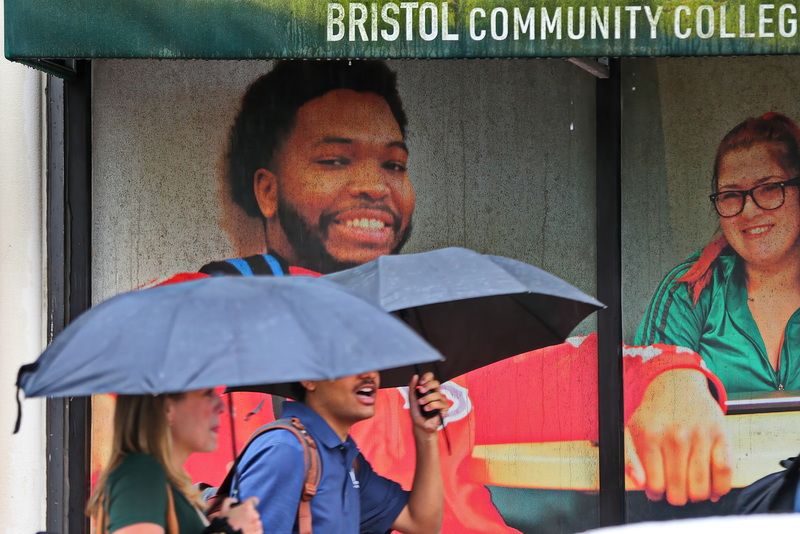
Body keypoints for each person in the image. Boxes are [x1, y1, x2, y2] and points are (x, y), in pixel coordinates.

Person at [184, 59, 731, 525]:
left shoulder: (431, 320)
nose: (376, 185)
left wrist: (673, 381)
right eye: (334, 160)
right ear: (267, 189)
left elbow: (584, 375)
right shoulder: (193, 314)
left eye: (393, 164)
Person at [636, 112, 800, 393]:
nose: (749, 211)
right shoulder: (689, 289)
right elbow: (649, 394)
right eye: (730, 194)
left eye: (770, 188)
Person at [237, 371, 447, 533]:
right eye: (352, 363)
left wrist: (426, 433)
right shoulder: (286, 449)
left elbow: (420, 523)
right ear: (309, 379)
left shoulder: (345, 458)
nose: (369, 374)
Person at [87, 390, 263, 534]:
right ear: (167, 408)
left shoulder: (159, 480)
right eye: (207, 393)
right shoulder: (141, 474)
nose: (221, 406)